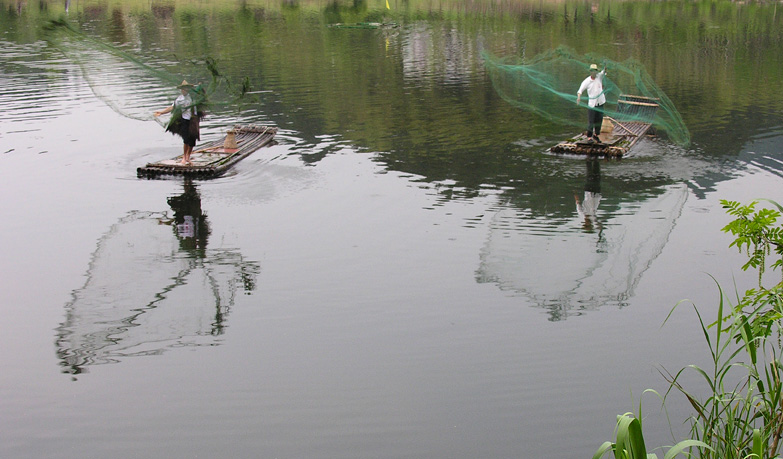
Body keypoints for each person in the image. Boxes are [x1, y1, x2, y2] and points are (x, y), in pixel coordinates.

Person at [154, 80, 202, 165]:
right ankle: (184, 157)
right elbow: (172, 107)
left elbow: (200, 92)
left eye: (185, 89)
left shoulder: (193, 97)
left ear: (188, 89)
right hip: (185, 120)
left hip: (193, 120)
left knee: (192, 140)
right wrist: (161, 112)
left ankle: (188, 156)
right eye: (182, 89)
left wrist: (199, 85)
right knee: (186, 139)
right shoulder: (179, 99)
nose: (183, 91)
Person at [576, 63, 606, 144]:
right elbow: (580, 90)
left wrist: (605, 66)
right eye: (592, 71)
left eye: (595, 71)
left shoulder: (599, 77)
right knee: (591, 121)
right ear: (590, 72)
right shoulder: (587, 81)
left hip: (600, 102)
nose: (594, 73)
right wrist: (579, 97)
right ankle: (589, 137)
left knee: (599, 120)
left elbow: (604, 72)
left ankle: (596, 135)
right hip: (592, 105)